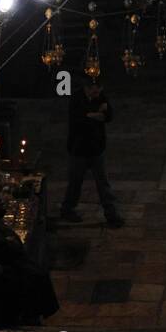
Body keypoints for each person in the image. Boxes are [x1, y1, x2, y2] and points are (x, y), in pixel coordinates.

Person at [60, 75, 125, 228]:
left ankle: (111, 214)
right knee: (75, 182)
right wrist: (97, 114)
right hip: (79, 150)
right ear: (87, 88)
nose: (97, 94)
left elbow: (109, 116)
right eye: (94, 91)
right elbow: (79, 121)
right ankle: (67, 209)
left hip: (96, 148)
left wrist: (91, 115)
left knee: (103, 184)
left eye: (99, 91)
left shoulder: (100, 96)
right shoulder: (77, 99)